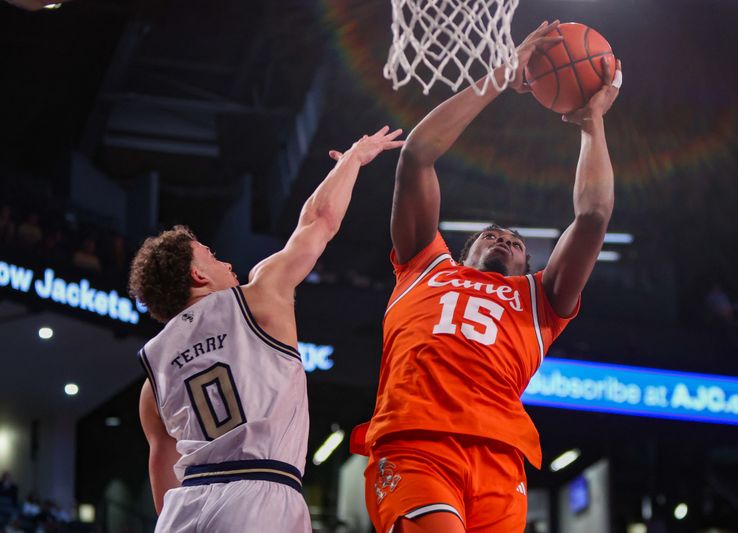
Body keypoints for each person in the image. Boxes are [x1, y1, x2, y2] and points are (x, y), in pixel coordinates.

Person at [350, 21, 622, 533]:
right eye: (494, 234)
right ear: (466, 245)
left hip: (502, 458)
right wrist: (501, 75)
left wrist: (592, 124)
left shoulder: (540, 298)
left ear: (527, 264)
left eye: (517, 243)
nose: (506, 240)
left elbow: (594, 216)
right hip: (416, 443)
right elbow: (416, 156)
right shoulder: (422, 266)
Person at [129, 127, 403, 533]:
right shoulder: (259, 296)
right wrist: (353, 160)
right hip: (260, 492)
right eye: (213, 256)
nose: (226, 264)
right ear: (196, 275)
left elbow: (162, 472)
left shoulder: (153, 379)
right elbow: (319, 219)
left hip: (183, 509)